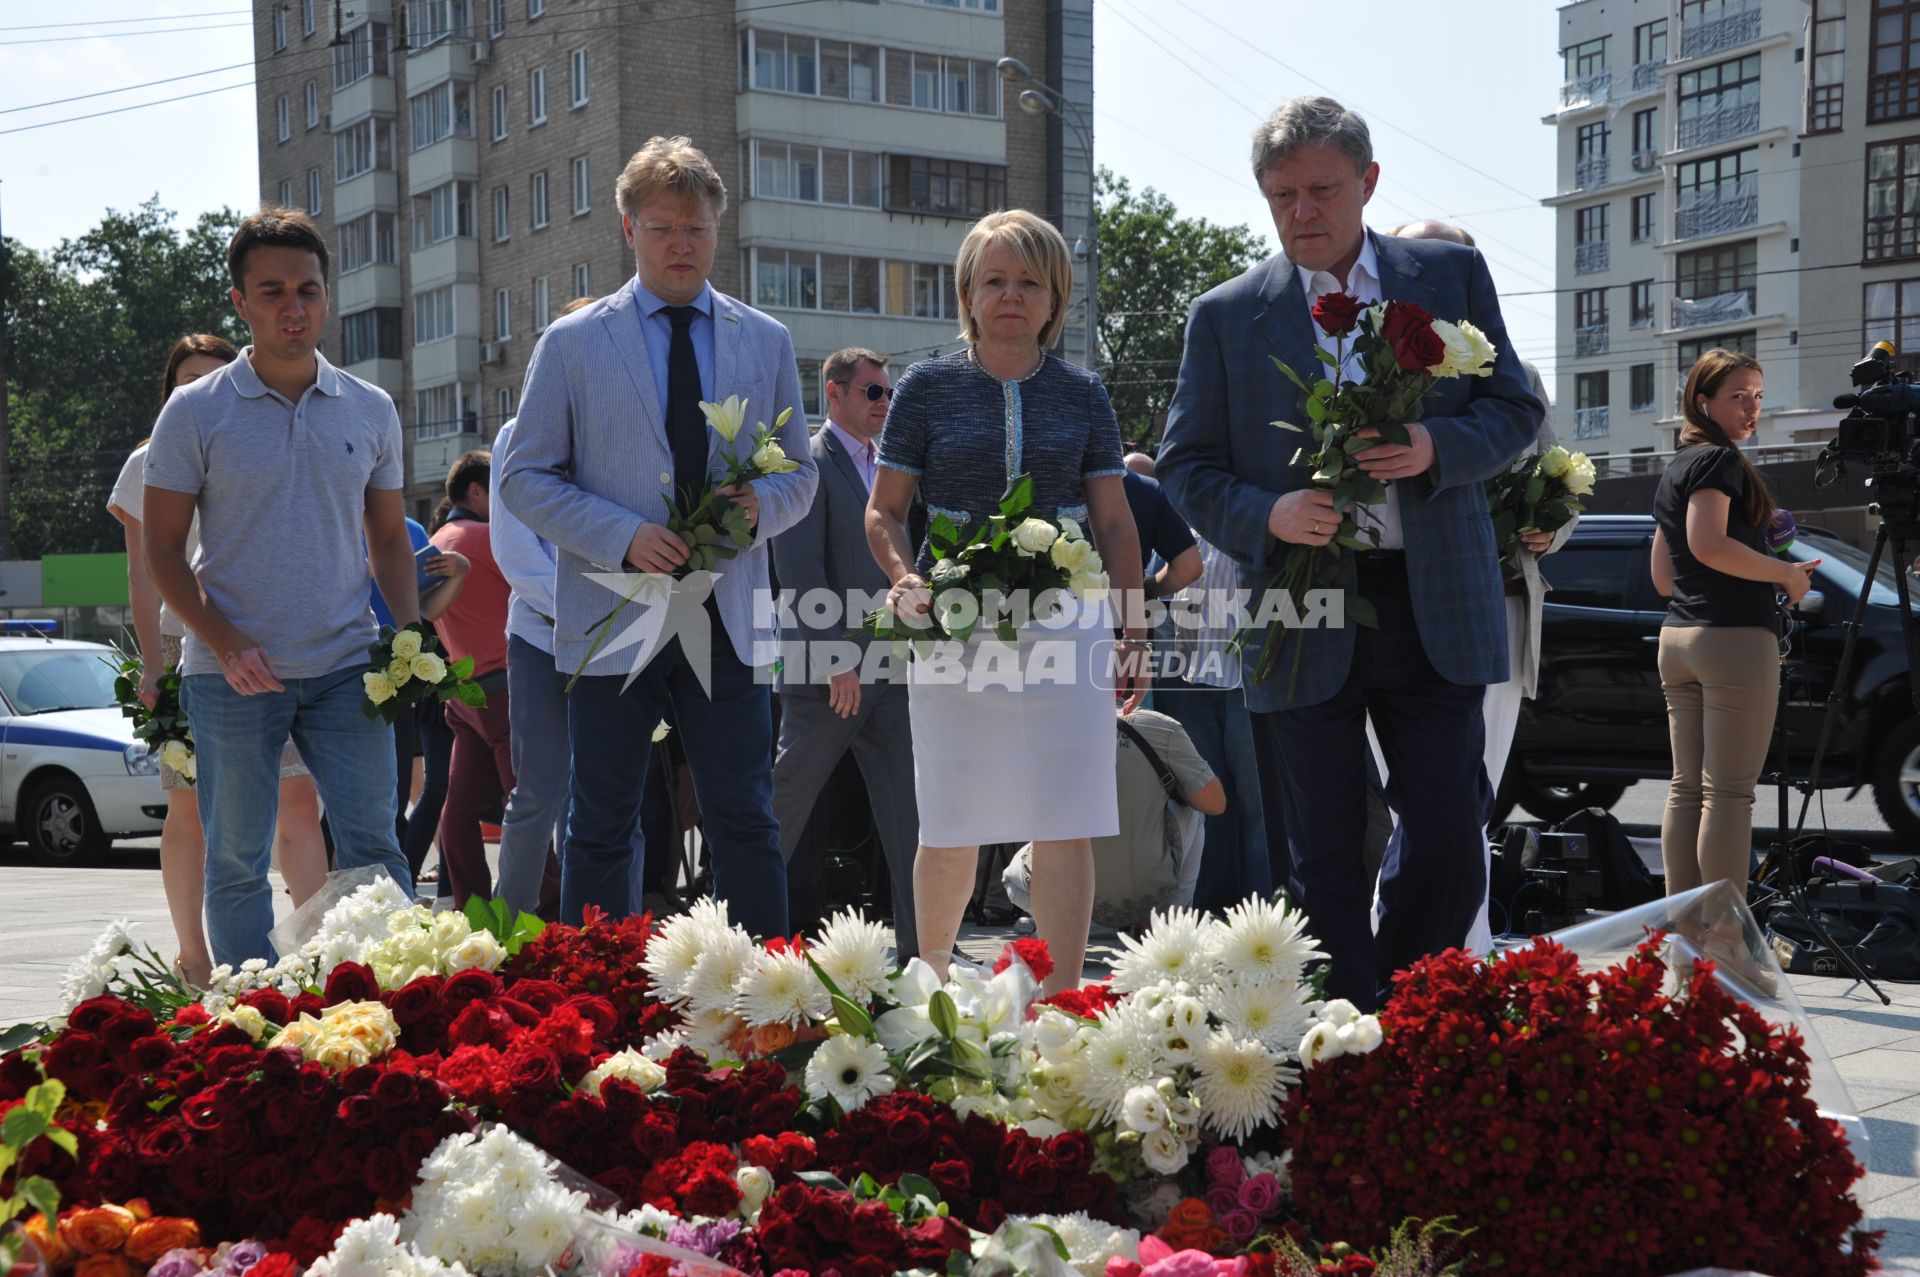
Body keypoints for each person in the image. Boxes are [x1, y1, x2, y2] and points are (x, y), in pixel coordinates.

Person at [1156, 98, 1539, 1008]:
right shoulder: (1225, 316)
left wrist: (1436, 447)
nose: (1302, 211)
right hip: (1300, 610)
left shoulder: (1448, 277)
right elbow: (1184, 464)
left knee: (1449, 832)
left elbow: (1514, 410)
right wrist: (1269, 513)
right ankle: (1341, 1028)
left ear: (1367, 183)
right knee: (1321, 853)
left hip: (1435, 600)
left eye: (1322, 189)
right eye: (1281, 194)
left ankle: (1408, 1010)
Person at [499, 136, 817, 934]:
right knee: (603, 823)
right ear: (627, 227)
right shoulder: (571, 343)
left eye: (698, 228)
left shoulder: (765, 339)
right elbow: (524, 477)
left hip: (729, 617)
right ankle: (589, 1007)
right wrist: (621, 533)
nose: (683, 244)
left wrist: (758, 507)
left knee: (745, 819)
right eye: (664, 227)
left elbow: (802, 477)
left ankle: (764, 1008)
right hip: (612, 613)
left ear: (719, 228)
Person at [867, 208, 1149, 996]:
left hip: (1068, 620)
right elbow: (883, 511)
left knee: (1065, 813)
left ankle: (1062, 1002)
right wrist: (903, 574)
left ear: (1056, 298)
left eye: (1029, 281)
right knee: (951, 811)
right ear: (967, 292)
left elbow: (1116, 520)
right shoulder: (924, 389)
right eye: (994, 279)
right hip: (953, 620)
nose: (1011, 295)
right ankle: (926, 993)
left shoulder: (1084, 394)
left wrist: (1134, 628)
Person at [144, 207, 418, 965]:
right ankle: (250, 1025)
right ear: (239, 301)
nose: (292, 307)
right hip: (233, 674)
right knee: (235, 861)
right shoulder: (194, 412)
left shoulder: (371, 407)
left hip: (345, 666)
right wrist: (226, 644)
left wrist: (410, 635)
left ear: (329, 295)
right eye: (271, 292)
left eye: (307, 289)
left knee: (374, 850)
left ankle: (399, 1007)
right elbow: (163, 550)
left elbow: (390, 538)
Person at [1360, 218, 1572, 952]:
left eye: (1459, 263)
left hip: (1501, 603)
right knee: (1417, 798)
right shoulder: (1373, 367)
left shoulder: (1521, 379)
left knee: (1470, 795)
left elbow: (1558, 479)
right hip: (1396, 606)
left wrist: (1550, 528)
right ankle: (1412, 948)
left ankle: (1465, 952)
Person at [106, 335, 331, 985]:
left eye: (213, 376)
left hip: (273, 645)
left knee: (298, 795)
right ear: (170, 395)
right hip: (187, 650)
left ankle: (315, 951)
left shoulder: (263, 442)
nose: (200, 390)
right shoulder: (149, 460)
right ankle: (196, 956)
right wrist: (153, 662)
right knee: (192, 809)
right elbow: (143, 570)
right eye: (186, 382)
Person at [490, 297, 649, 920]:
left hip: (620, 637)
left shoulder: (637, 438)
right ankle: (511, 933)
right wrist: (587, 608)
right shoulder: (515, 436)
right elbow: (514, 550)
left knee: (616, 798)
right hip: (543, 637)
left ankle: (623, 939)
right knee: (540, 791)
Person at [771, 347, 920, 959]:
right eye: (873, 393)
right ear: (834, 394)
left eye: (889, 394)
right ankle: (728, 936)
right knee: (783, 804)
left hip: (892, 661)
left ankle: (923, 947)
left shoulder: (892, 465)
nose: (885, 404)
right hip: (828, 668)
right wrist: (835, 657)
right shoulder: (805, 460)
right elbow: (798, 568)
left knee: (911, 815)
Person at [1651, 350, 1816, 894]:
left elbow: (1663, 576)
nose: (1752, 408)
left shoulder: (1675, 466)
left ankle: (1685, 952)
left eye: (1759, 396)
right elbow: (1708, 544)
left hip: (1678, 638)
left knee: (1687, 791)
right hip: (1733, 641)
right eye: (1738, 396)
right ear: (1704, 403)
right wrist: (1786, 577)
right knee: (1727, 795)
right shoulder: (1720, 463)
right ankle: (1725, 956)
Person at [1003, 707, 1225, 932]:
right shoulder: (1161, 727)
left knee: (1016, 874)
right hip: (1147, 889)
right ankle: (1167, 927)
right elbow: (1215, 803)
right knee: (1194, 810)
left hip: (1068, 888)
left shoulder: (1051, 722)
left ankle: (1060, 926)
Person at [1156, 535, 1271, 911]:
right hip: (1192, 677)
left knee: (1260, 808)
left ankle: (1266, 917)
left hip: (1250, 679)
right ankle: (1213, 914)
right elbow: (1160, 580)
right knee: (1209, 806)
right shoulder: (1184, 512)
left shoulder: (1247, 507)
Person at [427, 451, 514, 903]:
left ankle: (471, 907)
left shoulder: (439, 538)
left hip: (463, 690)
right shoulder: (488, 538)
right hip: (504, 685)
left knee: (458, 811)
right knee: (524, 804)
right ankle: (546, 902)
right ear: (477, 491)